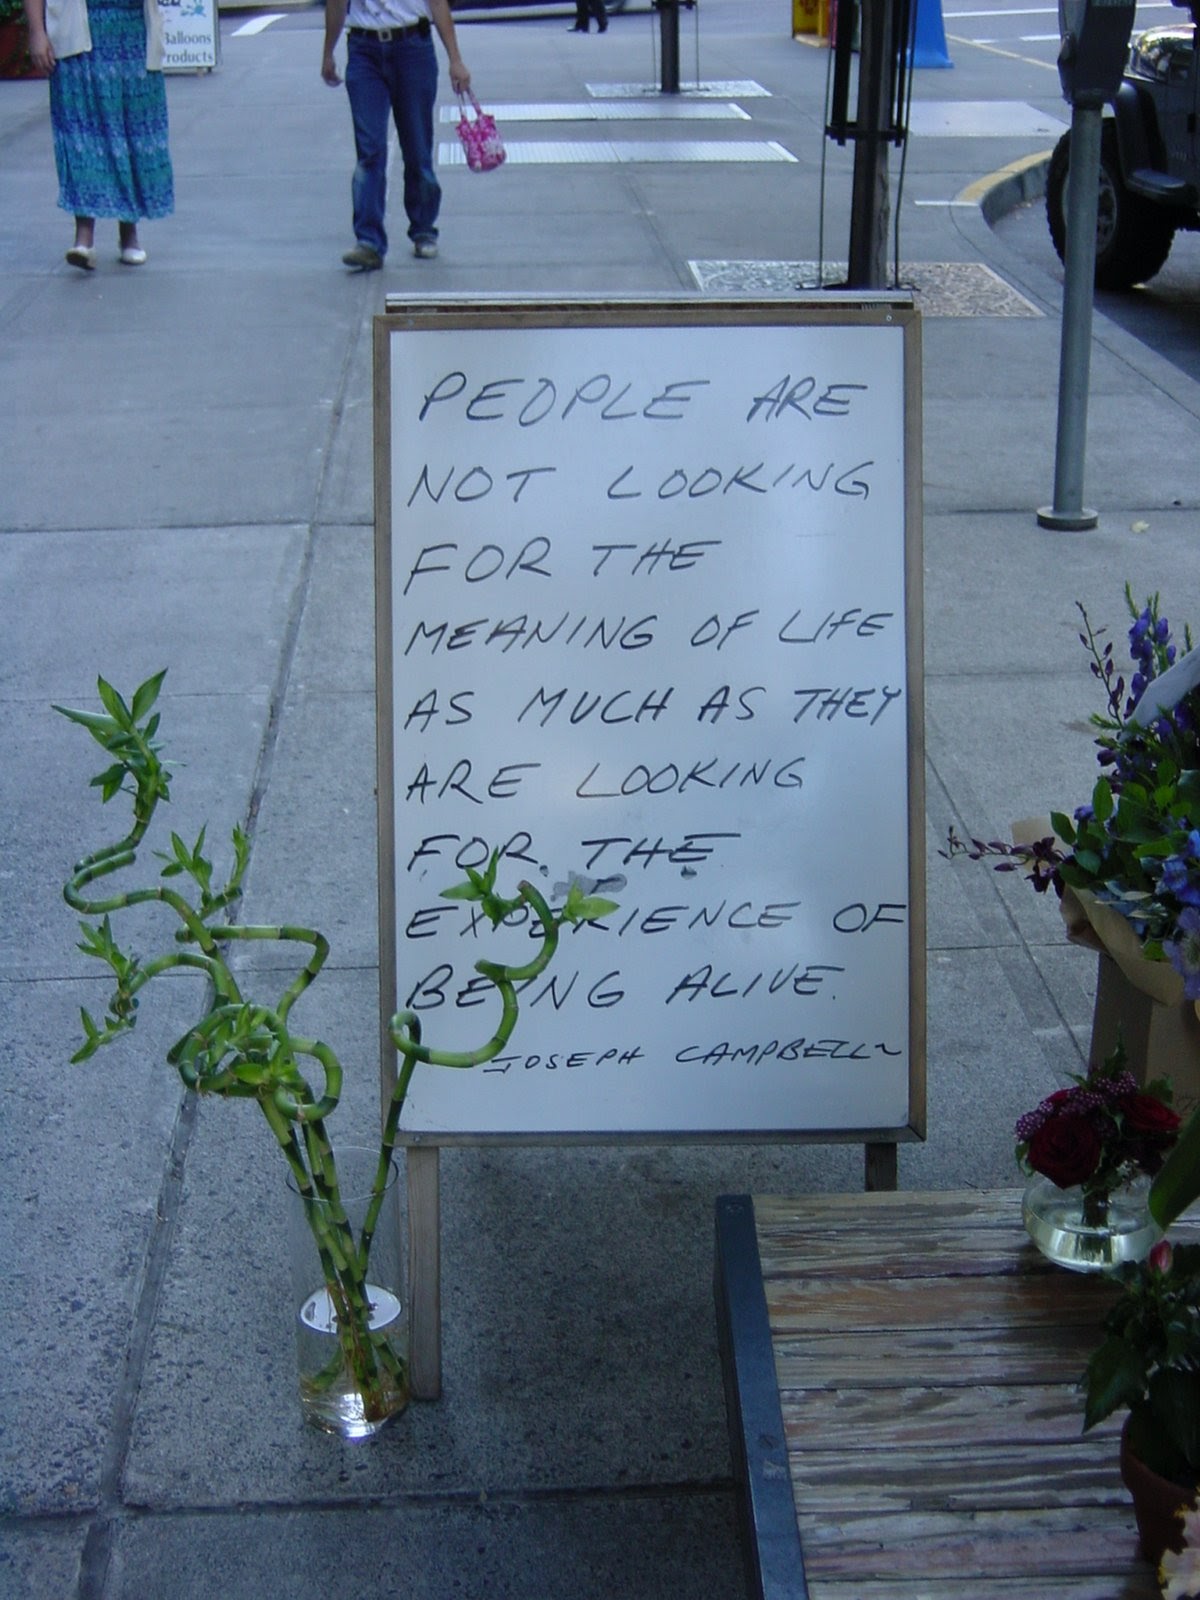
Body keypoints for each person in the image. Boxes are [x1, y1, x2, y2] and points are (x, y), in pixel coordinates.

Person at [23, 0, 173, 270]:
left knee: (131, 132)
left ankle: (129, 232)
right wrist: (36, 31)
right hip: (77, 30)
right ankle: (84, 236)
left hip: (132, 28)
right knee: (81, 134)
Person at [322, 0, 470, 270]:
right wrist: (328, 52)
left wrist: (455, 59)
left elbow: (437, 3)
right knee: (370, 151)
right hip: (364, 49)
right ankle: (369, 241)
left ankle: (423, 227)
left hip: (412, 46)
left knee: (417, 147)